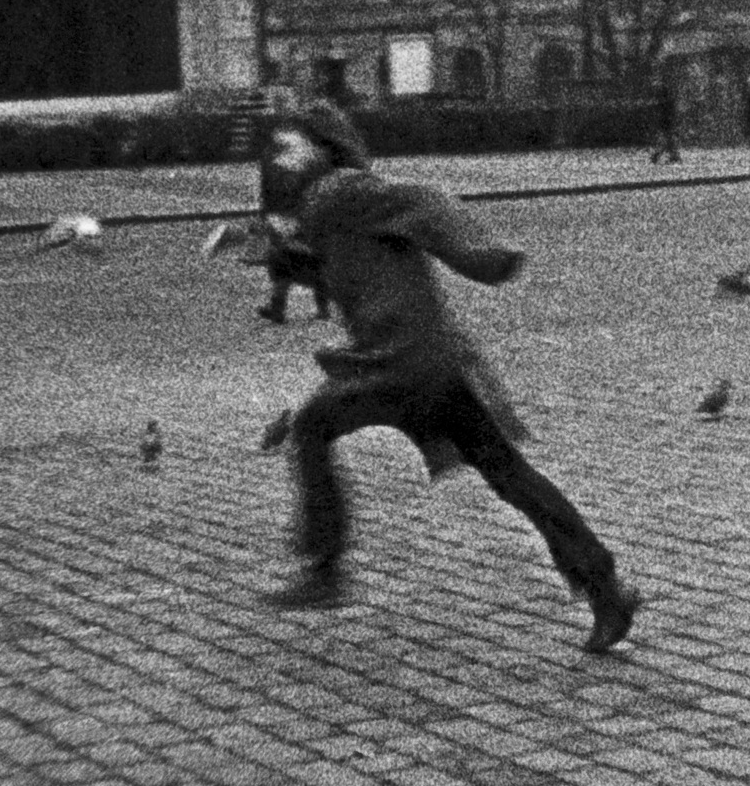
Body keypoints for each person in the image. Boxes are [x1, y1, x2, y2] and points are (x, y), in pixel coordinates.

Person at [264, 103, 642, 653]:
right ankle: (605, 587)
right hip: (409, 360)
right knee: (509, 476)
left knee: (315, 427)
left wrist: (478, 253)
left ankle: (325, 572)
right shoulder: (328, 205)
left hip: (406, 361)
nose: (282, 156)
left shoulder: (340, 189)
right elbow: (338, 260)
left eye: (291, 144)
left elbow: (422, 201)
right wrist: (275, 254)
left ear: (324, 146)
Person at [255, 121, 330, 325]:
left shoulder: (311, 159)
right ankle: (278, 308)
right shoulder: (274, 159)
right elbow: (267, 189)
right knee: (283, 260)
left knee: (306, 259)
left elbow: (316, 187)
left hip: (301, 216)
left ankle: (320, 306)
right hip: (284, 216)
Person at [647, 70, 682, 164]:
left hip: (665, 118)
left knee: (667, 138)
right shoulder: (667, 99)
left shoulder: (664, 99)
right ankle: (670, 156)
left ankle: (661, 156)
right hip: (666, 119)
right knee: (668, 139)